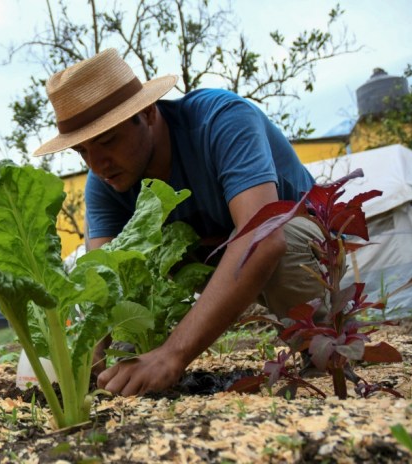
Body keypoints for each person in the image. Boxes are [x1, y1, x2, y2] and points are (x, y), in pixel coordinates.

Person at [33, 48, 325, 396]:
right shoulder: (105, 181)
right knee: (127, 304)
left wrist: (173, 354)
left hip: (308, 251)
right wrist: (89, 360)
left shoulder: (222, 119)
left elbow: (263, 239)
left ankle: (323, 348)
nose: (97, 164)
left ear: (148, 112)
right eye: (81, 151)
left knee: (282, 236)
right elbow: (105, 282)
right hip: (215, 262)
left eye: (107, 140)